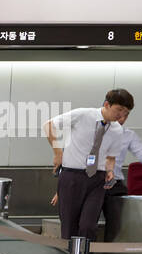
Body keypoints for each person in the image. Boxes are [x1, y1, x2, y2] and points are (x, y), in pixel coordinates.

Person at [44, 89, 130, 243]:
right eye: (119, 109)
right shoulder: (83, 115)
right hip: (72, 176)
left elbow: (111, 157)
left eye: (126, 112)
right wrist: (57, 153)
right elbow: (49, 125)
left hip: (97, 179)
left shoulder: (117, 130)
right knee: (69, 226)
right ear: (107, 104)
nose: (121, 115)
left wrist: (110, 170)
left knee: (88, 225)